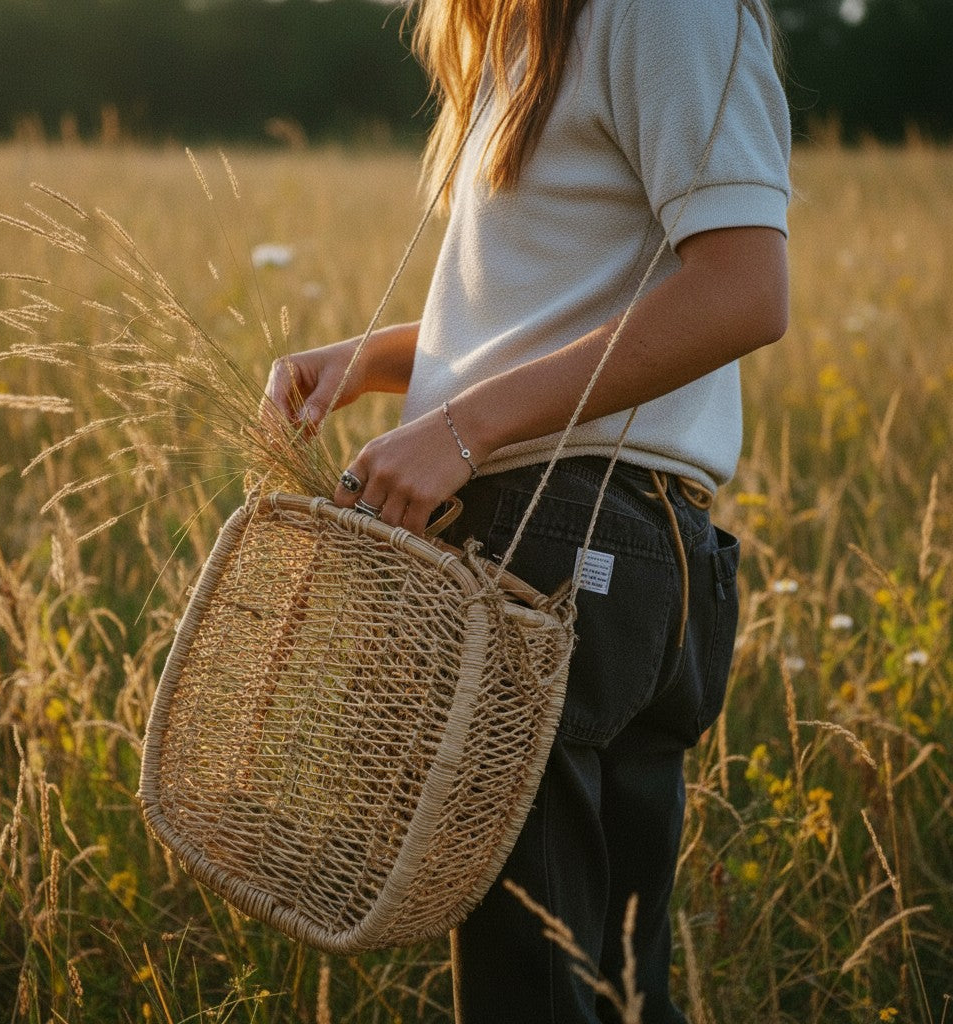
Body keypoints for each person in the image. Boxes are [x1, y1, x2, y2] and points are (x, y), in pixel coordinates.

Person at [264, 0, 790, 1019]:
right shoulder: (535, 28)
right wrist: (369, 362)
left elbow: (742, 288)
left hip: (569, 543)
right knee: (604, 993)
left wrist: (460, 431)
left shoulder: (657, 12)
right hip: (568, 536)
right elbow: (559, 311)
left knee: (536, 994)